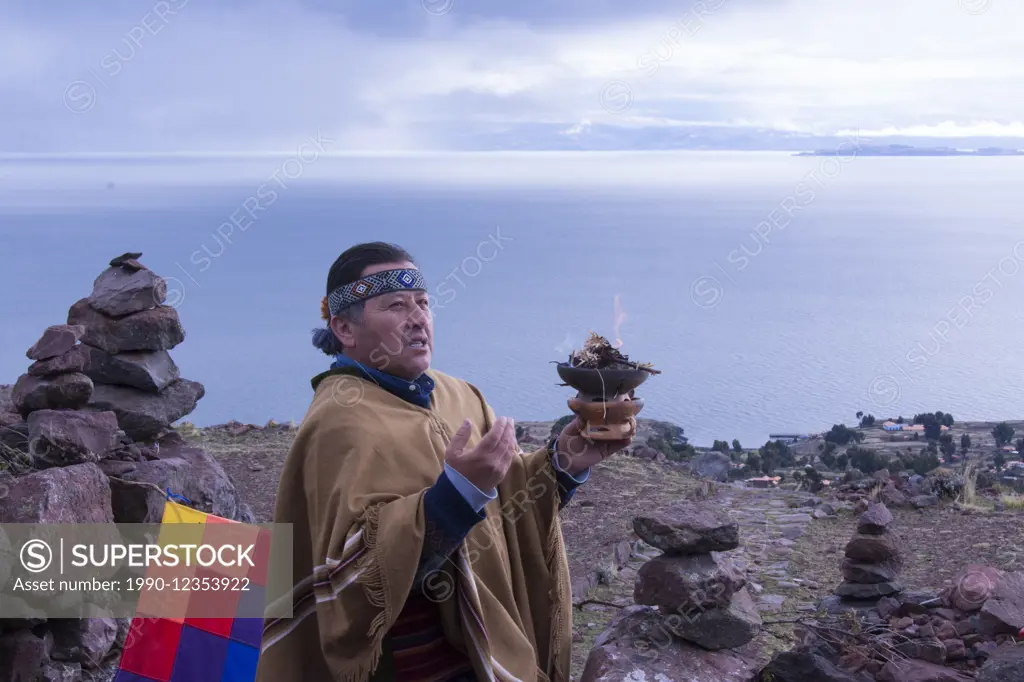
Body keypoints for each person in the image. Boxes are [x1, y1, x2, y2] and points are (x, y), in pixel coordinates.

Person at [256, 242, 632, 682]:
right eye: (396, 305)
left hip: (487, 649)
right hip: (413, 665)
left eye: (424, 304)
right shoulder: (338, 421)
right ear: (344, 328)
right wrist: (456, 494)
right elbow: (352, 582)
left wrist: (566, 461)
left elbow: (505, 506)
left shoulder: (459, 394)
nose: (418, 319)